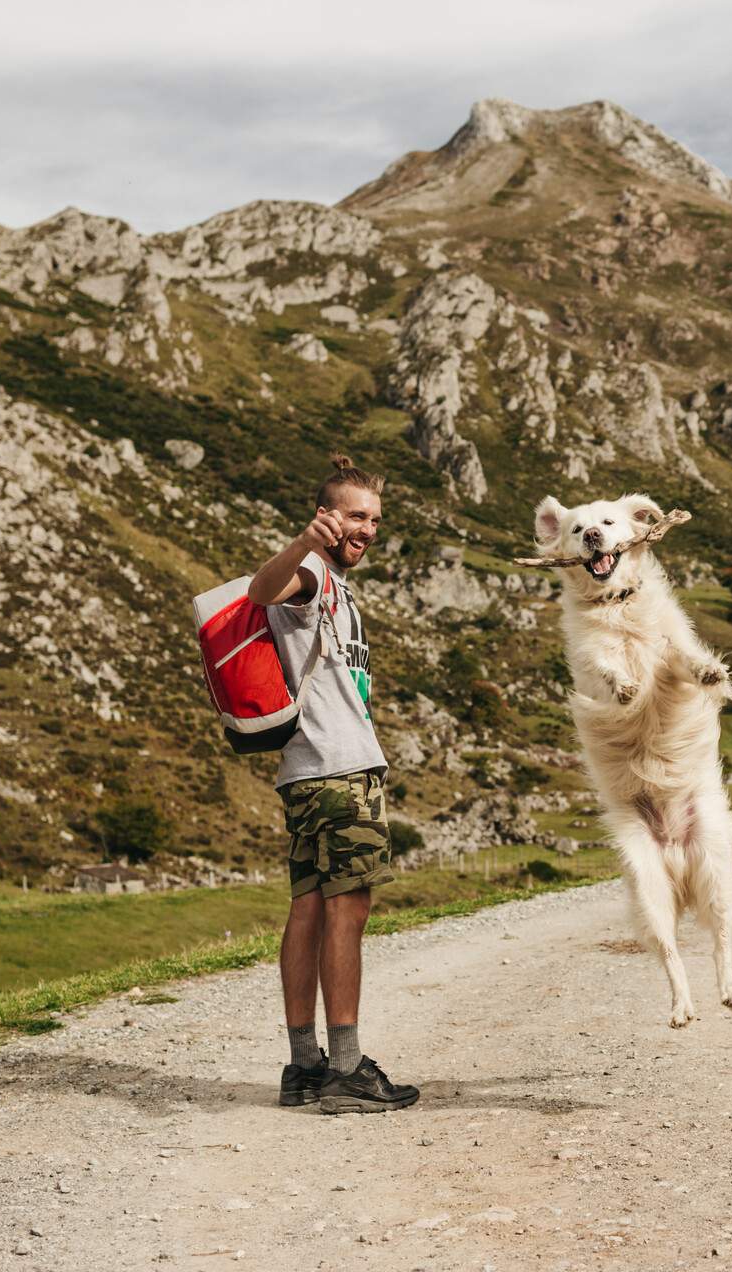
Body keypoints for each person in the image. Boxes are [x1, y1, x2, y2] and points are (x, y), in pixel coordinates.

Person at [247, 453, 418, 1114]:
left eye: (374, 519)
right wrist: (303, 546)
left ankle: (304, 1067)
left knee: (311, 911)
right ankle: (345, 1068)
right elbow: (262, 592)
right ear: (326, 516)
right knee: (348, 911)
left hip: (309, 772)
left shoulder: (334, 583)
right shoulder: (313, 572)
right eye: (356, 515)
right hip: (338, 773)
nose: (367, 529)